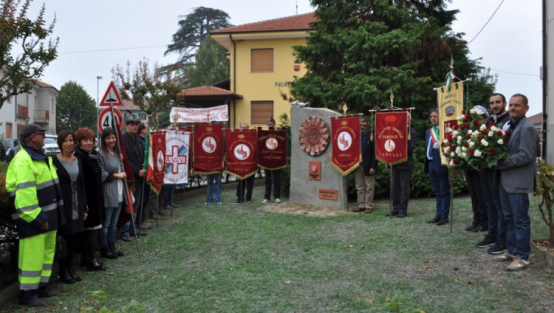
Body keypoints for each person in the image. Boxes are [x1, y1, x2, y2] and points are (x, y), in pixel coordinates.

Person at [6, 124, 63, 307]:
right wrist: (38, 218)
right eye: (41, 135)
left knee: (46, 254)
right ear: (32, 137)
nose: (44, 138)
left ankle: (42, 288)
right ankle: (27, 295)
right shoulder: (23, 159)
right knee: (32, 257)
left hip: (48, 217)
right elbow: (24, 196)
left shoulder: (39, 156)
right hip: (34, 220)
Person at [493, 94, 538, 271]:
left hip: (518, 181)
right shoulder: (510, 125)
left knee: (520, 219)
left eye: (517, 105)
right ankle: (511, 250)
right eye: (511, 105)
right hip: (506, 181)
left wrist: (501, 161)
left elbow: (526, 155)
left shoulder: (527, 127)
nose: (512, 108)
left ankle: (523, 256)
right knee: (509, 217)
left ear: (526, 108)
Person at [477, 93, 511, 254]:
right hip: (487, 169)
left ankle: (501, 239)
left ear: (504, 103)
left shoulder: (508, 122)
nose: (495, 105)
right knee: (490, 203)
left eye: (498, 102)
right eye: (492, 103)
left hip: (500, 170)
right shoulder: (491, 122)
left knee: (499, 205)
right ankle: (492, 234)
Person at [52, 131, 87, 284]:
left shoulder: (77, 160)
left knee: (73, 238)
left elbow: (81, 184)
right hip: (63, 204)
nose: (69, 143)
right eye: (65, 141)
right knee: (64, 237)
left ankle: (70, 269)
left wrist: (85, 205)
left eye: (71, 140)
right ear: (60, 143)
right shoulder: (53, 162)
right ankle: (62, 271)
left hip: (77, 203)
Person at [74, 127, 107, 271]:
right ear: (79, 142)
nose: (88, 143)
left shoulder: (91, 155)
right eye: (85, 140)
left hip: (95, 196)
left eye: (91, 140)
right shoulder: (79, 157)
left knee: (93, 230)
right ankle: (89, 259)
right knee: (90, 230)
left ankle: (88, 258)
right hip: (87, 198)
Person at [98, 128, 127, 259]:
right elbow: (101, 173)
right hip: (109, 191)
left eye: (113, 138)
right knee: (107, 223)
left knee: (114, 222)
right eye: (108, 138)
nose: (111, 140)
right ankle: (104, 248)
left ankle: (112, 245)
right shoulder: (101, 154)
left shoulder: (117, 153)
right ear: (104, 140)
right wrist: (117, 175)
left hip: (120, 190)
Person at [120, 115, 149, 241]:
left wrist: (145, 168)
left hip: (140, 177)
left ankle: (134, 228)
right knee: (128, 204)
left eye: (136, 125)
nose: (135, 127)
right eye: (132, 124)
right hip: (130, 177)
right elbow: (124, 160)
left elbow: (143, 156)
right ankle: (124, 231)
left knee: (136, 204)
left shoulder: (138, 139)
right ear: (126, 126)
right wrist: (138, 171)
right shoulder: (123, 140)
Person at [387, 112, 417, 218]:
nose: (405, 119)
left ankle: (403, 210)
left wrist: (400, 141)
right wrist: (388, 159)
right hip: (395, 163)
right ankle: (396, 208)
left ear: (409, 119)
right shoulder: (395, 131)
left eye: (407, 117)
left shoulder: (412, 132)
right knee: (394, 187)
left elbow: (410, 149)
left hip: (405, 164)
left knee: (404, 188)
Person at [424, 109, 450, 225]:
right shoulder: (428, 132)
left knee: (444, 191)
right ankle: (438, 215)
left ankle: (444, 216)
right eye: (431, 116)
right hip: (430, 163)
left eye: (435, 116)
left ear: (440, 117)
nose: (433, 118)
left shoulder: (444, 131)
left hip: (440, 164)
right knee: (437, 191)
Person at [352, 118, 377, 214]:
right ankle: (361, 205)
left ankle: (369, 205)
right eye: (361, 125)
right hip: (357, 165)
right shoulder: (355, 136)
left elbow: (376, 153)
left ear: (368, 126)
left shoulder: (372, 136)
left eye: (364, 125)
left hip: (369, 166)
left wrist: (373, 166)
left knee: (369, 187)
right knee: (359, 186)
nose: (362, 127)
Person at [262, 118, 281, 204]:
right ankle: (267, 197)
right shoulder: (265, 134)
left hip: (277, 160)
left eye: (270, 124)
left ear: (274, 124)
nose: (268, 126)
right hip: (267, 160)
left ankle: (277, 197)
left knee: (277, 180)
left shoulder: (279, 133)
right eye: (267, 125)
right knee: (267, 180)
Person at [235, 122, 255, 204]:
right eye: (242, 127)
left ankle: (248, 198)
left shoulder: (252, 136)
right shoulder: (236, 137)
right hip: (240, 164)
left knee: (250, 182)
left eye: (245, 127)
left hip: (250, 163)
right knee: (240, 182)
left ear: (248, 128)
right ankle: (240, 197)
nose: (244, 129)